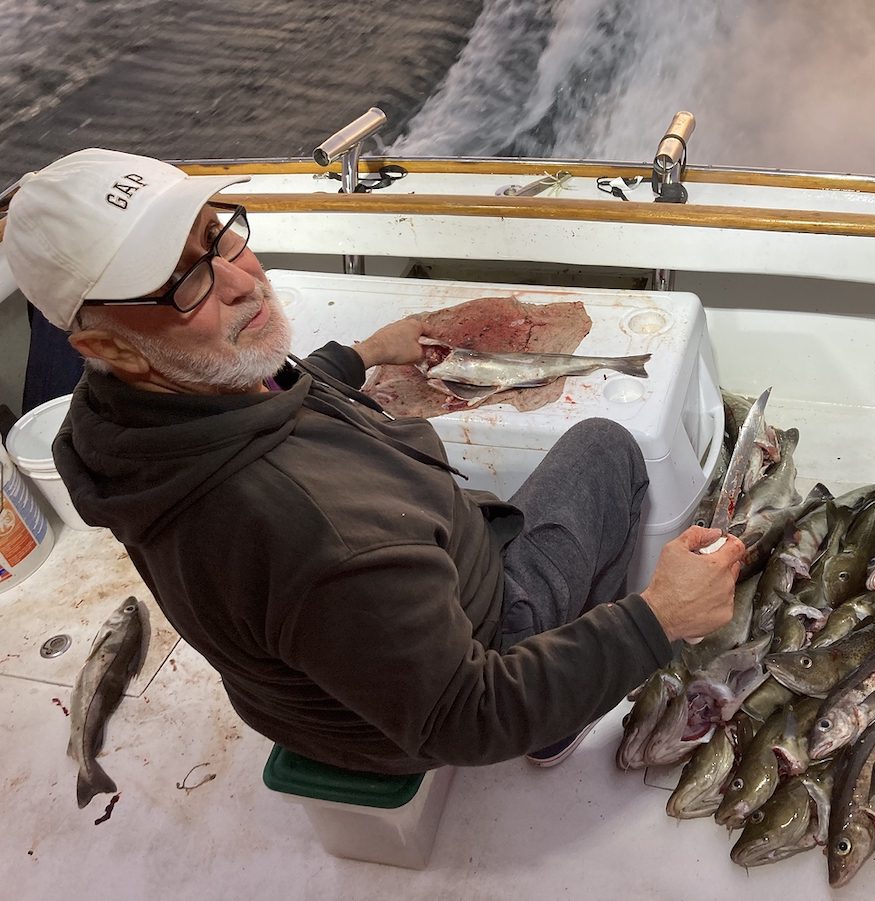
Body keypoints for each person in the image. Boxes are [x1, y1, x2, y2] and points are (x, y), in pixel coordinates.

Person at [2, 148, 744, 772]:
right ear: (107, 345)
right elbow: (465, 716)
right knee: (607, 449)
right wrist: (658, 617)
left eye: (216, 236)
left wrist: (362, 354)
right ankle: (555, 726)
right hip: (464, 677)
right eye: (182, 283)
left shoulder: (136, 413)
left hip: (348, 679)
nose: (240, 279)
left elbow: (275, 396)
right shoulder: (309, 531)